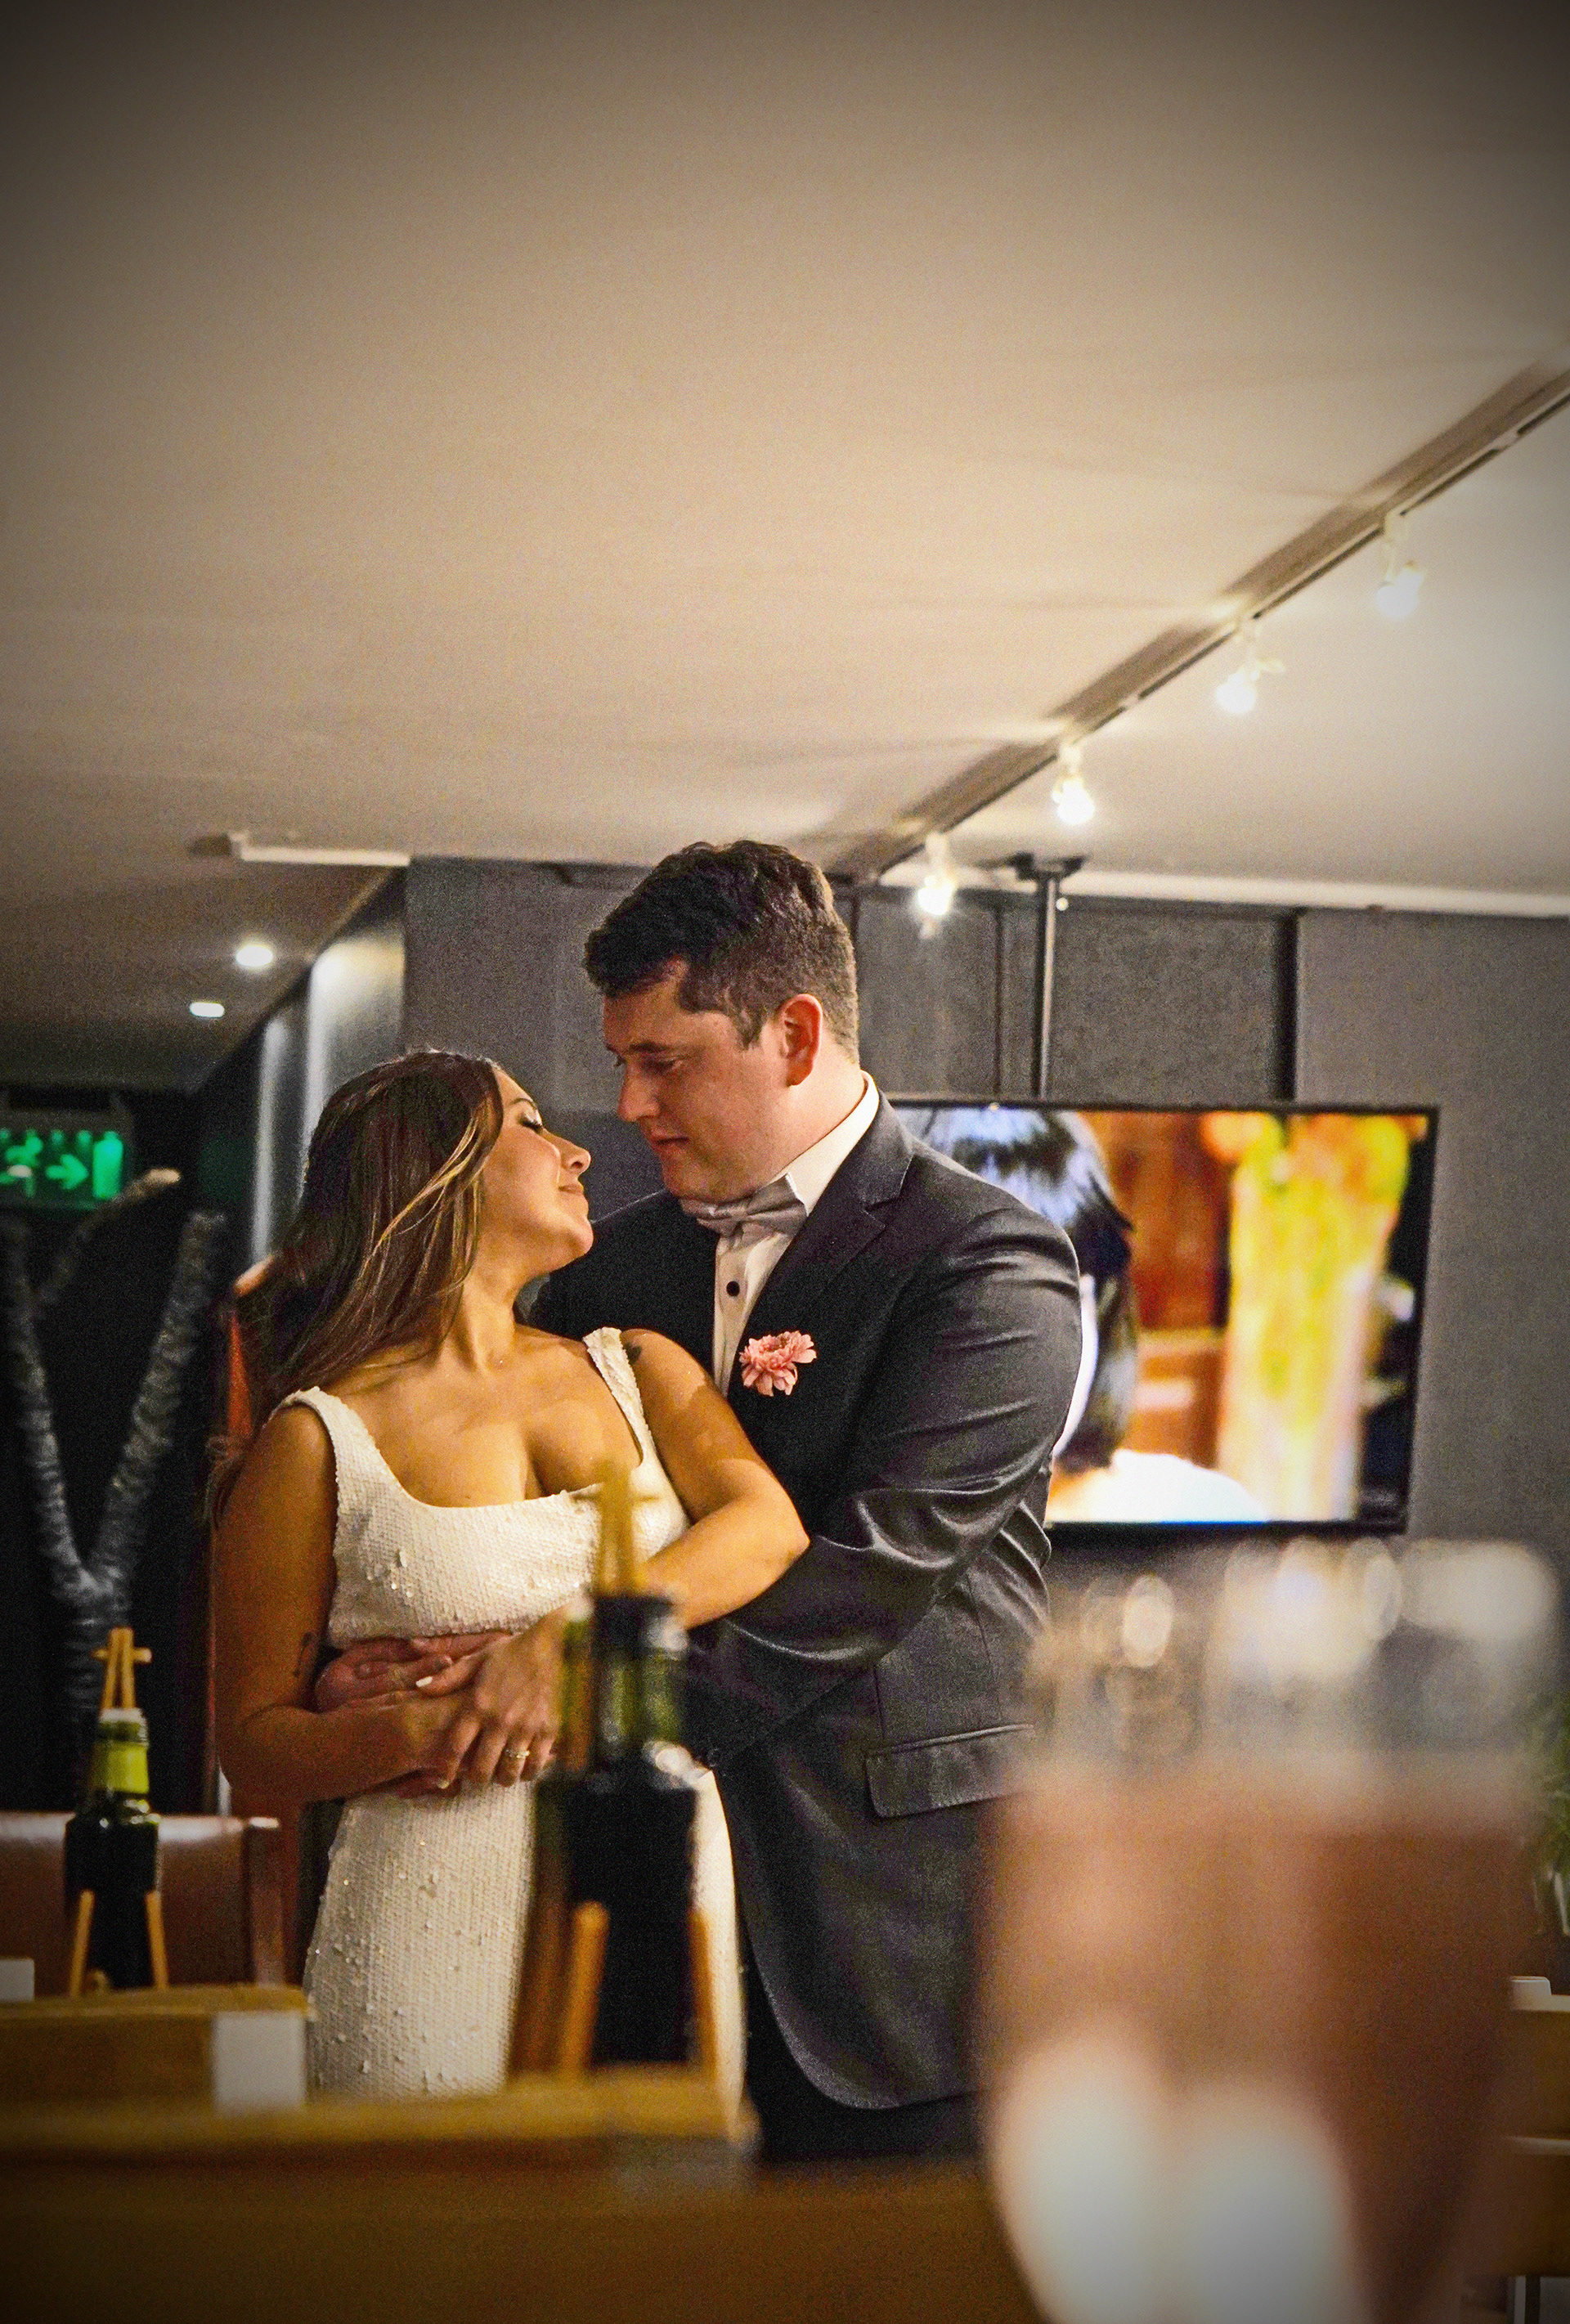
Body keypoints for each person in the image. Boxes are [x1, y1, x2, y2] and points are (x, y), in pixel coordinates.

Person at [321, 843, 1080, 2160]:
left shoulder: (988, 1261)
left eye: (664, 1061)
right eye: (623, 1062)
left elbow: (871, 1569)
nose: (629, 1105)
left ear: (795, 1035)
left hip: (894, 1927)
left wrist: (584, 1688)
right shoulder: (605, 1271)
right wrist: (385, 1677)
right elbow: (514, 1529)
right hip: (619, 1903)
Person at [213, 1049, 807, 2099]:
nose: (578, 1151)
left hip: (653, 1882)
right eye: (530, 1123)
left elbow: (766, 1528)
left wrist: (563, 1643)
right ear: (433, 1172)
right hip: (423, 1906)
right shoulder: (316, 1437)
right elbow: (252, 1743)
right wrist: (424, 1728)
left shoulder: (638, 1367)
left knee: (654, 2192)